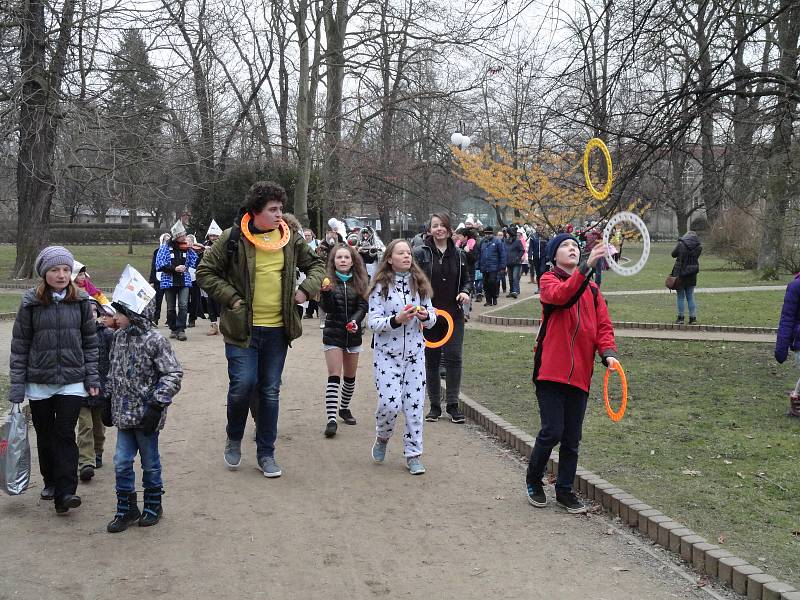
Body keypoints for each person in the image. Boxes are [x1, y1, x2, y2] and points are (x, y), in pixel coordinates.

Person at [197, 180, 325, 478]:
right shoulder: (232, 237)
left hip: (278, 330)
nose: (279, 214)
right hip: (243, 329)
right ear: (256, 211)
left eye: (281, 209)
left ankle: (266, 453)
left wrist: (306, 289)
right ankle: (234, 436)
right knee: (242, 385)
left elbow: (317, 265)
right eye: (273, 209)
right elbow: (205, 271)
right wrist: (232, 298)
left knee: (269, 391)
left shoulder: (291, 237)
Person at [526, 233, 618, 514]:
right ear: (554, 255)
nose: (572, 249)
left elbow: (603, 325)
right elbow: (563, 298)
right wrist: (587, 266)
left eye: (576, 247)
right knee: (552, 431)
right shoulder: (548, 281)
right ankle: (533, 480)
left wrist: (608, 352)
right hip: (550, 371)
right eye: (565, 246)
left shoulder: (592, 291)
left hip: (580, 373)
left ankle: (565, 491)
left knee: (572, 437)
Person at [9, 246, 99, 514]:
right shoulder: (30, 303)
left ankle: (66, 491)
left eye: (65, 270)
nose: (61, 275)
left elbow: (91, 343)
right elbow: (20, 345)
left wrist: (92, 376)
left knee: (64, 434)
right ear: (44, 273)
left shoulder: (81, 300)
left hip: (72, 379)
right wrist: (17, 386)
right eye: (54, 270)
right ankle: (50, 480)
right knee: (46, 435)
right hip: (40, 381)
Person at [106, 274, 183, 533]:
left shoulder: (155, 340)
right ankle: (126, 506)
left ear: (135, 312)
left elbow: (172, 373)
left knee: (150, 462)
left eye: (120, 312)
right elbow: (112, 371)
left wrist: (157, 404)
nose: (114, 318)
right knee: (121, 461)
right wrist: (108, 399)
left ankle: (153, 502)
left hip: (146, 415)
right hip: (123, 415)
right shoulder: (118, 338)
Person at [368, 239, 436, 475]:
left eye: (408, 253)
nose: (407, 256)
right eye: (401, 253)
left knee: (414, 406)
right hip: (387, 354)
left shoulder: (419, 283)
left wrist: (427, 316)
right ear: (389, 258)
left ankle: (413, 454)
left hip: (415, 354)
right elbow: (373, 322)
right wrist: (396, 320)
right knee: (390, 404)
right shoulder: (380, 286)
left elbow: (433, 314)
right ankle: (383, 436)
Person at [413, 214, 472, 424]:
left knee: (454, 357)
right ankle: (435, 406)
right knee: (432, 359)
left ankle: (453, 405)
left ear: (449, 229)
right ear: (429, 230)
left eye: (442, 225)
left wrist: (465, 292)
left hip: (454, 313)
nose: (439, 229)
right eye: (435, 226)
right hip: (429, 315)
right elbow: (414, 280)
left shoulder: (459, 255)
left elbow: (467, 280)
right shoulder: (420, 253)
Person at [319, 244, 369, 437]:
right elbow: (328, 308)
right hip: (333, 333)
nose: (343, 260)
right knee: (334, 375)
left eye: (346, 257)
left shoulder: (360, 281)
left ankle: (344, 408)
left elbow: (363, 305)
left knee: (350, 377)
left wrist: (355, 321)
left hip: (353, 333)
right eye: (339, 257)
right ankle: (331, 419)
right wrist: (326, 293)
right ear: (333, 261)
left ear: (352, 261)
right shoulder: (328, 282)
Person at [76, 300, 114, 482]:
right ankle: (85, 462)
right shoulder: (75, 334)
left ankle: (97, 452)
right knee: (85, 425)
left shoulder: (106, 334)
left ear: (99, 314)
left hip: (100, 387)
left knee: (98, 426)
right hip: (80, 388)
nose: (90, 314)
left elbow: (114, 357)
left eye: (93, 311)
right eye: (86, 311)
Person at [155, 221, 199, 341]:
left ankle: (181, 330)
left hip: (184, 280)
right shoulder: (164, 248)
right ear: (176, 236)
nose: (185, 237)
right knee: (170, 307)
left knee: (184, 305)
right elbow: (160, 264)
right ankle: (173, 328)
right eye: (183, 235)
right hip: (169, 281)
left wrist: (198, 249)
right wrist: (175, 268)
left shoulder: (187, 248)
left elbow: (194, 262)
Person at [774, 272, 800, 417]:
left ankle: (796, 398)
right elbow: (787, 318)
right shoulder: (796, 286)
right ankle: (796, 402)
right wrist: (781, 347)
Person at [670, 230, 702, 324]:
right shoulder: (699, 246)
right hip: (692, 273)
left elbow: (673, 254)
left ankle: (680, 318)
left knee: (680, 297)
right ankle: (693, 318)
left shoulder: (681, 244)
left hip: (680, 273)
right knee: (690, 296)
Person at [476, 227, 507, 306]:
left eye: (488, 234)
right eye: (486, 234)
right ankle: (488, 300)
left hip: (494, 266)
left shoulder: (497, 242)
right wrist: (479, 265)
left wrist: (502, 266)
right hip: (484, 266)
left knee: (492, 282)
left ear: (492, 234)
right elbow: (479, 254)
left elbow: (502, 254)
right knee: (485, 284)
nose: (487, 235)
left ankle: (494, 297)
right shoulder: (482, 242)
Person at [203, 220, 223, 335]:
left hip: (221, 277)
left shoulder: (223, 246)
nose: (213, 238)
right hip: (210, 277)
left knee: (221, 301)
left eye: (215, 235)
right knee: (210, 301)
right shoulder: (205, 246)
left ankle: (224, 324)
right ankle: (214, 324)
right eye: (211, 235)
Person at [149, 233, 170, 326]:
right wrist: (151, 281)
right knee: (158, 300)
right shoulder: (157, 251)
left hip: (170, 279)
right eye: (165, 240)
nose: (167, 242)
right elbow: (153, 266)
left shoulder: (173, 251)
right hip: (158, 279)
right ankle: (155, 319)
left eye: (168, 240)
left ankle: (170, 319)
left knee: (170, 300)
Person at [504, 225, 525, 298]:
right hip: (508, 262)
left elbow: (522, 250)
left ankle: (515, 291)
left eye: (507, 233)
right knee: (510, 278)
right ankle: (511, 291)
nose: (506, 234)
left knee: (515, 277)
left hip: (516, 262)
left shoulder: (517, 241)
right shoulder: (506, 241)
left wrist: (518, 257)